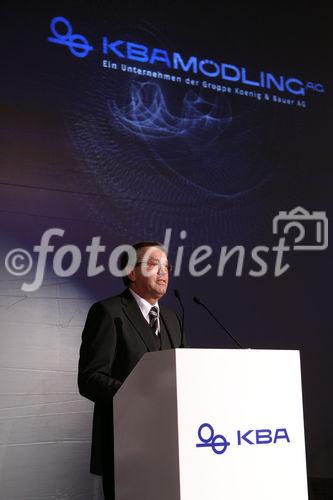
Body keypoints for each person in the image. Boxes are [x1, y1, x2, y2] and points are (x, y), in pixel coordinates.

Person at [78, 241, 186, 500]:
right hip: (126, 447)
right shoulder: (108, 312)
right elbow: (90, 378)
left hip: (170, 446)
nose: (163, 272)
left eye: (166, 266)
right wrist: (139, 395)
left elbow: (184, 373)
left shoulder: (172, 318)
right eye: (153, 264)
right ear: (132, 272)